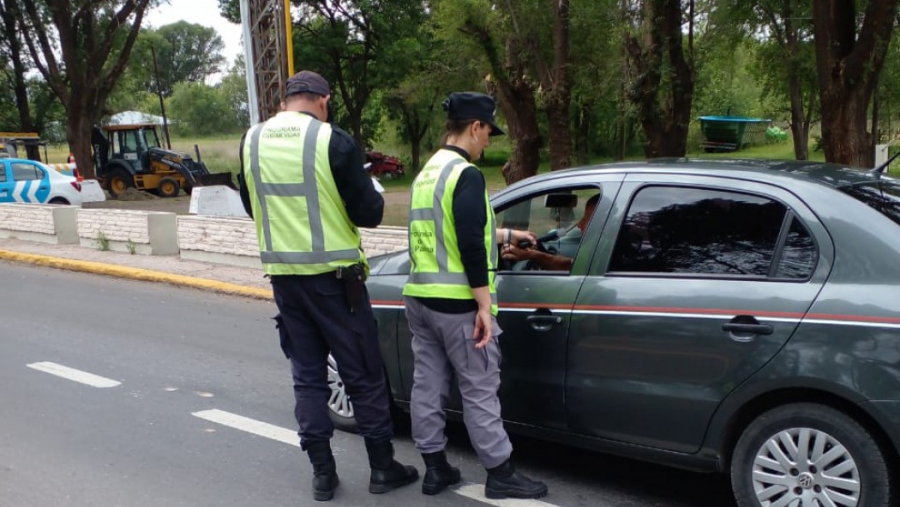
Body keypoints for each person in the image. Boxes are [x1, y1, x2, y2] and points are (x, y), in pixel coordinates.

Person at [238, 70, 418, 502]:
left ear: (286, 101)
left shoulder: (252, 141)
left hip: (285, 281)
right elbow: (370, 213)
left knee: (307, 377)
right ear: (323, 100)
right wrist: (368, 184)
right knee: (364, 375)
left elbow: (252, 206)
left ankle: (322, 473)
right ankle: (381, 469)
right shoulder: (331, 140)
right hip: (338, 285)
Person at [402, 91, 548, 499]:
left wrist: (505, 234)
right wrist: (484, 304)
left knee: (427, 383)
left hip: (420, 297)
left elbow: (451, 228)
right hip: (458, 304)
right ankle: (501, 473)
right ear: (475, 127)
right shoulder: (466, 175)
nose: (488, 142)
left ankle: (435, 469)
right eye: (488, 133)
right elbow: (466, 242)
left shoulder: (427, 172)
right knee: (480, 387)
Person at [500, 194, 600, 271]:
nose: (579, 225)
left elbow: (569, 267)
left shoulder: (603, 250)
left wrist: (531, 255)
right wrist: (536, 253)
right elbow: (571, 264)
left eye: (587, 218)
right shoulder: (597, 245)